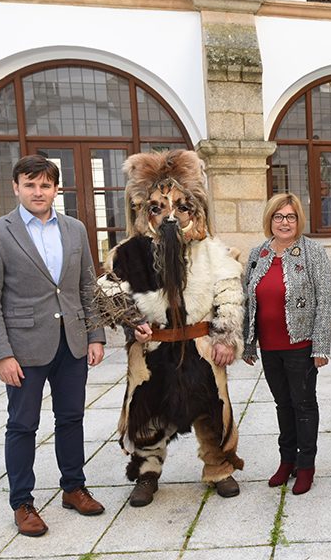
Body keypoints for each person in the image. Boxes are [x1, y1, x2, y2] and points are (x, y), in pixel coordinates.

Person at [96, 150, 245, 507]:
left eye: (181, 207)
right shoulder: (129, 252)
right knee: (146, 414)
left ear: (195, 210)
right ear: (145, 210)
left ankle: (219, 468)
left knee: (211, 410)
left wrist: (227, 336)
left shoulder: (211, 250)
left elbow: (229, 290)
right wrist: (134, 321)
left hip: (199, 346)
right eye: (159, 207)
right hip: (152, 350)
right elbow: (109, 289)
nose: (170, 215)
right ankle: (147, 473)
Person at [0, 154, 106, 537]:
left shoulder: (75, 230)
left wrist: (95, 335)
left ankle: (73, 488)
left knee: (71, 419)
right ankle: (22, 503)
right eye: (30, 184)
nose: (38, 191)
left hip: (72, 344)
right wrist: (1, 354)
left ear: (55, 189)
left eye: (45, 184)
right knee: (22, 425)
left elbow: (86, 287)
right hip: (23, 348)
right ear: (16, 187)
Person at [243, 193, 331, 495]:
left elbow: (326, 300)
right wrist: (248, 343)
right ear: (270, 220)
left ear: (299, 221)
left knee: (304, 405)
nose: (285, 222)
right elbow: (247, 299)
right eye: (279, 217)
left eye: (291, 217)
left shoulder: (313, 252)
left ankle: (306, 465)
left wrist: (320, 346)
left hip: (301, 345)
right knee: (283, 405)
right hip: (270, 346)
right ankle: (287, 461)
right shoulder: (258, 253)